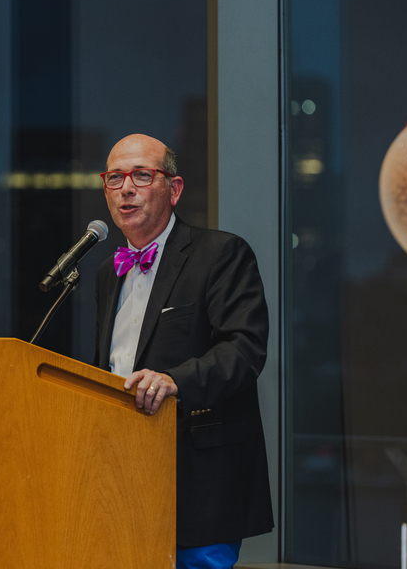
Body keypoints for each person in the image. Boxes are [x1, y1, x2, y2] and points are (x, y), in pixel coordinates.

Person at [94, 134, 273, 569]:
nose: (126, 188)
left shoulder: (221, 254)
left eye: (141, 175)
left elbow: (245, 349)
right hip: (122, 477)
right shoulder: (105, 274)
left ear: (173, 189)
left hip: (199, 482)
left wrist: (177, 380)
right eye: (114, 178)